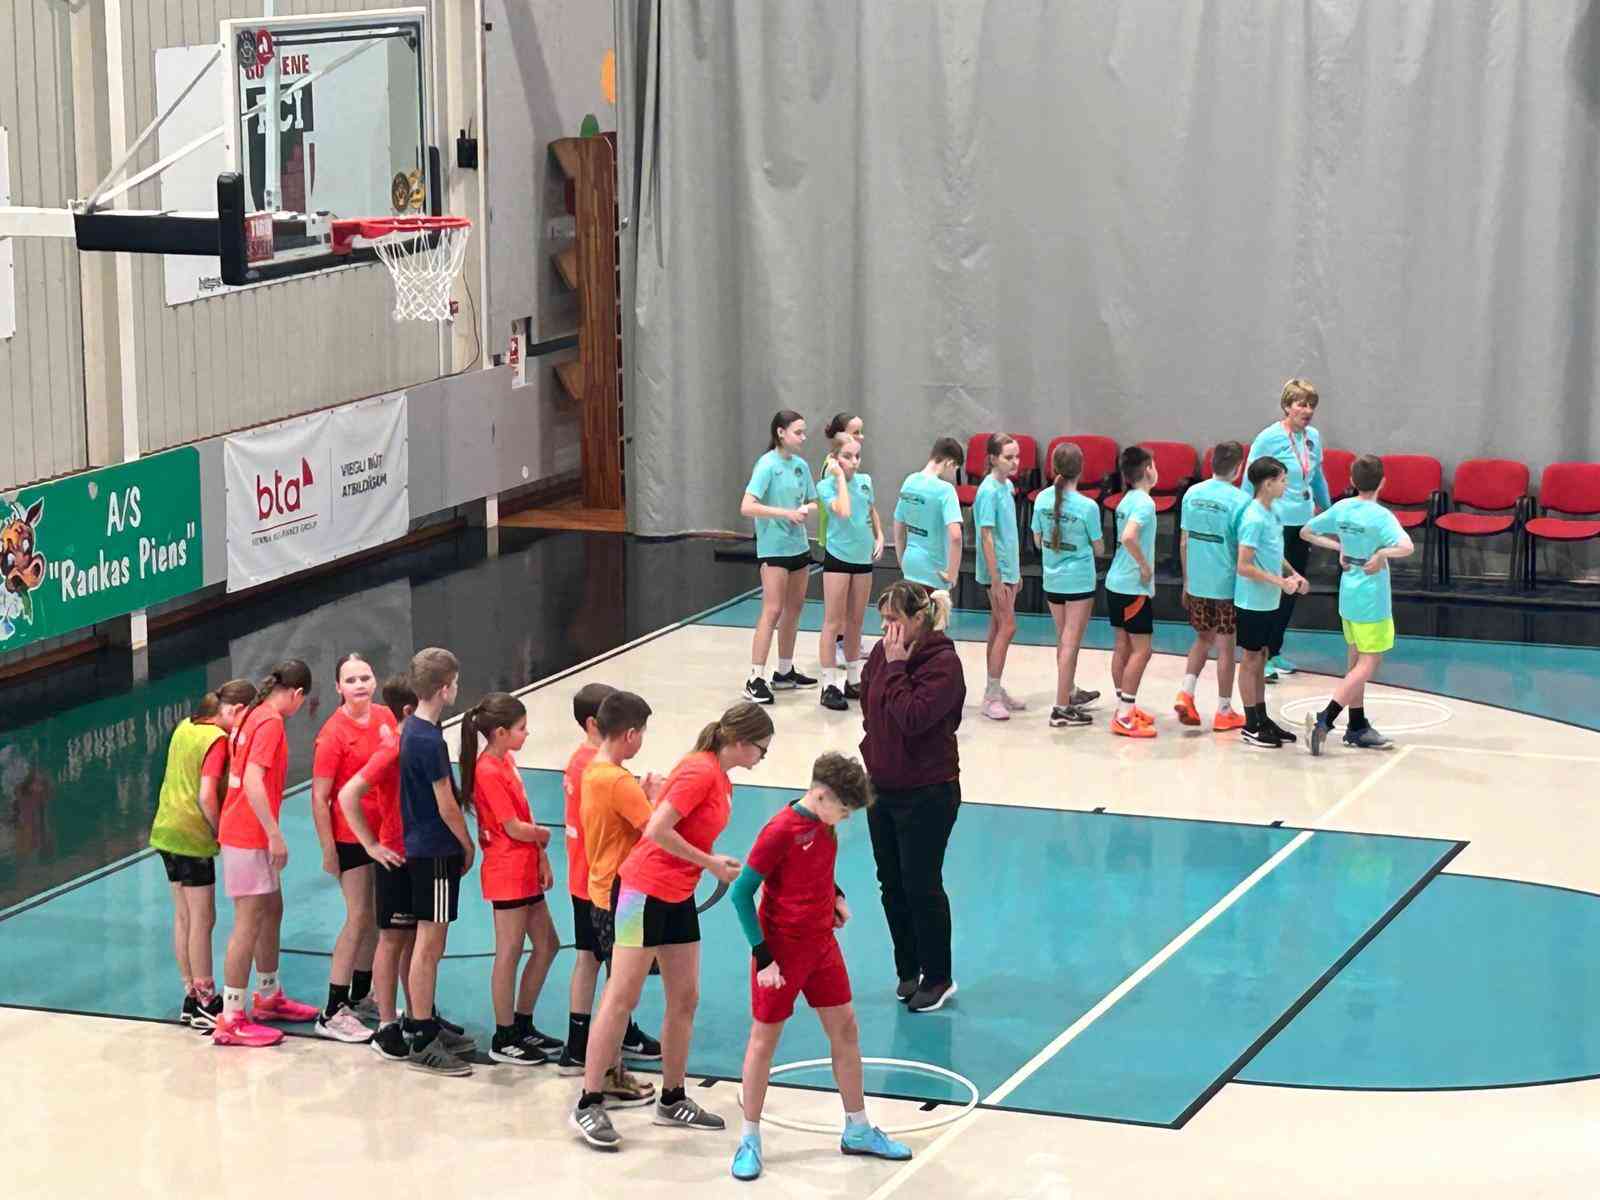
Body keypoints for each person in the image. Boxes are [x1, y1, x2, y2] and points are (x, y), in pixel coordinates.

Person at [573, 702, 774, 1151]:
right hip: (641, 892)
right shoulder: (700, 770)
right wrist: (710, 862)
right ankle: (589, 1100)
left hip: (677, 893)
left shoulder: (719, 776)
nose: (763, 756)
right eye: (762, 748)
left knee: (685, 997)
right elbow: (657, 830)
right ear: (741, 742)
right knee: (621, 997)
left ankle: (672, 1097)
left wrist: (703, 862)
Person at [728, 752, 911, 1181]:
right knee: (764, 1041)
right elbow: (740, 894)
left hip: (822, 945)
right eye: (844, 809)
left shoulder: (825, 825)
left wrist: (836, 898)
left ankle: (858, 1128)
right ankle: (749, 1138)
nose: (846, 818)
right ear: (822, 796)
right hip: (781, 952)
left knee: (846, 1029)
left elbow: (817, 870)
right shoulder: (779, 831)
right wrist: (763, 956)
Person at [859, 579, 965, 1013]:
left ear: (919, 619)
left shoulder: (944, 664)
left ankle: (938, 976)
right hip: (881, 788)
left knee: (921, 884)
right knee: (891, 884)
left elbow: (913, 718)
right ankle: (908, 967)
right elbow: (869, 704)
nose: (887, 629)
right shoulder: (882, 654)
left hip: (928, 792)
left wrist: (898, 668)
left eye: (895, 619)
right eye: (883, 620)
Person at [213, 660, 320, 1047]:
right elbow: (253, 779)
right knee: (247, 923)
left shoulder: (252, 713)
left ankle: (269, 994)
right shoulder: (270, 722)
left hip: (243, 830)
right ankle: (231, 1017)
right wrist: (274, 833)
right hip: (248, 835)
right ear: (297, 694)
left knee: (272, 908)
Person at [574, 690, 664, 1116]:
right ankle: (607, 1074)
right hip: (623, 896)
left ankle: (611, 1068)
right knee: (621, 993)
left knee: (617, 988)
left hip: (601, 890)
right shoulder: (618, 782)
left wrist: (641, 794)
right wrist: (656, 798)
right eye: (642, 733)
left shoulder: (596, 771)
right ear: (630, 734)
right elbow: (656, 830)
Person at [149, 679, 256, 1032]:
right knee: (202, 918)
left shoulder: (185, 726)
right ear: (235, 711)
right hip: (192, 834)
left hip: (165, 829)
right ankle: (208, 1001)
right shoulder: (217, 740)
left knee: (183, 916)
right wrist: (221, 831)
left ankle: (191, 995)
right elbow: (207, 794)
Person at [462, 692, 563, 1064]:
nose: (527, 733)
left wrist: (541, 856)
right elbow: (513, 827)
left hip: (525, 867)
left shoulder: (507, 760)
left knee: (547, 945)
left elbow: (524, 814)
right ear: (501, 732)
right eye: (521, 728)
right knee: (509, 952)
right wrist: (544, 835)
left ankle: (522, 1023)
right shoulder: (487, 770)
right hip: (506, 871)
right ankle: (504, 1036)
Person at [399, 646, 478, 1075]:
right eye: (456, 683)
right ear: (445, 689)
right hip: (434, 850)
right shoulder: (429, 740)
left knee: (429, 943)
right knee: (429, 944)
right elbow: (446, 803)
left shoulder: (414, 728)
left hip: (421, 845)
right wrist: (467, 843)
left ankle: (424, 1020)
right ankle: (422, 1036)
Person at [309, 653, 396, 1043]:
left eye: (365, 677)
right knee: (358, 916)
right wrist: (329, 849)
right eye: (351, 680)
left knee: (376, 918)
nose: (359, 685)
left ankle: (362, 996)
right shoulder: (332, 734)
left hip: (384, 834)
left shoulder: (385, 717)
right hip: (350, 836)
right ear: (338, 688)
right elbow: (319, 796)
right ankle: (332, 1010)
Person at [1302, 454, 1414, 754]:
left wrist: (1339, 546)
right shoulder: (1381, 516)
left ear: (1352, 481)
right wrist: (1382, 554)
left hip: (1348, 593)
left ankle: (1356, 725)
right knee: (1368, 662)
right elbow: (1406, 546)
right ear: (1383, 482)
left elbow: (1307, 531)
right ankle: (1325, 719)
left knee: (1354, 659)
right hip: (1371, 599)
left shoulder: (1342, 508)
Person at [338, 674, 424, 1062]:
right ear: (409, 708)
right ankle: (387, 1024)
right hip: (395, 856)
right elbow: (348, 794)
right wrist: (371, 845)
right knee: (392, 941)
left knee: (411, 941)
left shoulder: (411, 742)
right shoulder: (392, 749)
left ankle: (416, 1014)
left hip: (415, 853)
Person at [1244, 378, 1331, 681]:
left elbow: (1316, 477)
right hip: (1274, 523)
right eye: (1301, 404)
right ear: (1286, 406)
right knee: (1272, 587)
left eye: (1311, 405)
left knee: (1292, 587)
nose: (1307, 410)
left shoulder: (1313, 437)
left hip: (1302, 524)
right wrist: (1244, 514)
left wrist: (1329, 513)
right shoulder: (1268, 438)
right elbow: (1250, 479)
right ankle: (1260, 654)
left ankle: (1274, 649)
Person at [741, 410, 819, 705]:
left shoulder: (800, 466)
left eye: (804, 432)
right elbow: (747, 506)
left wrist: (806, 510)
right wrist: (784, 513)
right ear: (780, 433)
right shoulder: (767, 465)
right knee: (772, 609)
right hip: (774, 548)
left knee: (794, 608)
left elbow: (814, 501)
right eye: (798, 432)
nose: (803, 437)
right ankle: (755, 678)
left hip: (798, 546)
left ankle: (784, 671)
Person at [1176, 442, 1251, 732]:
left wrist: (1187, 581)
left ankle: (1186, 692)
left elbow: (1184, 541)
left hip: (1197, 581)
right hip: (1225, 585)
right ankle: (1224, 710)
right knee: (1226, 648)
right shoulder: (1241, 501)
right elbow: (1243, 547)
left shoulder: (1192, 494)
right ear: (1239, 468)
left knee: (1202, 638)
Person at [1235, 459, 1310, 748]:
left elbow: (1274, 552)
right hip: (1252, 601)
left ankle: (1262, 718)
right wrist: (1280, 582)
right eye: (1282, 480)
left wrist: (1293, 573)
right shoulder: (1253, 518)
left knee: (1262, 656)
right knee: (1251, 660)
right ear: (1267, 484)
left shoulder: (1273, 512)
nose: (1286, 485)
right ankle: (1250, 724)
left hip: (1269, 600)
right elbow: (1244, 565)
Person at [1030, 442, 1104, 728]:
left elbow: (1038, 541)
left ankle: (1070, 690)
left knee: (1063, 641)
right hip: (1078, 583)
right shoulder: (1088, 507)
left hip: (1052, 579)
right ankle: (1061, 708)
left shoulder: (1040, 499)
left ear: (1053, 468)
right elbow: (1099, 548)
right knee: (1070, 644)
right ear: (1081, 469)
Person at [817, 435, 882, 711]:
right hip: (839, 558)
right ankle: (829, 685)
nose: (854, 462)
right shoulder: (825, 486)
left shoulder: (866, 481)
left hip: (862, 559)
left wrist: (879, 536)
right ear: (834, 459)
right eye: (847, 456)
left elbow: (870, 510)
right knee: (834, 623)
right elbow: (843, 511)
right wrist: (840, 478)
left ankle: (853, 680)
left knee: (856, 621)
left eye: (857, 456)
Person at [1105, 446, 1159, 739]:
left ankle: (1123, 706)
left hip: (1116, 583)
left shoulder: (1126, 499)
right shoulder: (1145, 503)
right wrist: (1145, 566)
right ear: (1149, 469)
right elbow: (1128, 537)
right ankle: (1124, 716)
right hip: (1132, 587)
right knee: (1142, 650)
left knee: (1122, 647)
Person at [974, 433, 1023, 721]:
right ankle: (990, 697)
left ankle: (995, 687)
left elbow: (1009, 533)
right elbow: (987, 536)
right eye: (1008, 457)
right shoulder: (988, 491)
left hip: (1008, 569)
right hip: (997, 571)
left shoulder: (1008, 487)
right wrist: (996, 578)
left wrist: (1015, 571)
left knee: (997, 627)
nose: (1015, 462)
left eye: (1017, 456)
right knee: (1008, 626)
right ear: (993, 458)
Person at [893, 438, 965, 591]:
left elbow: (898, 529)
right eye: (956, 470)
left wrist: (903, 563)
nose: (954, 476)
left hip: (910, 566)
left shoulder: (909, 481)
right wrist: (952, 574)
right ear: (950, 463)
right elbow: (956, 536)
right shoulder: (946, 490)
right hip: (935, 572)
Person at [816, 411, 865, 551]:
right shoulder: (834, 468)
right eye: (856, 433)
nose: (861, 437)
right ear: (841, 436)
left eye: (861, 432)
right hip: (836, 538)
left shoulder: (846, 464)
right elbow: (839, 507)